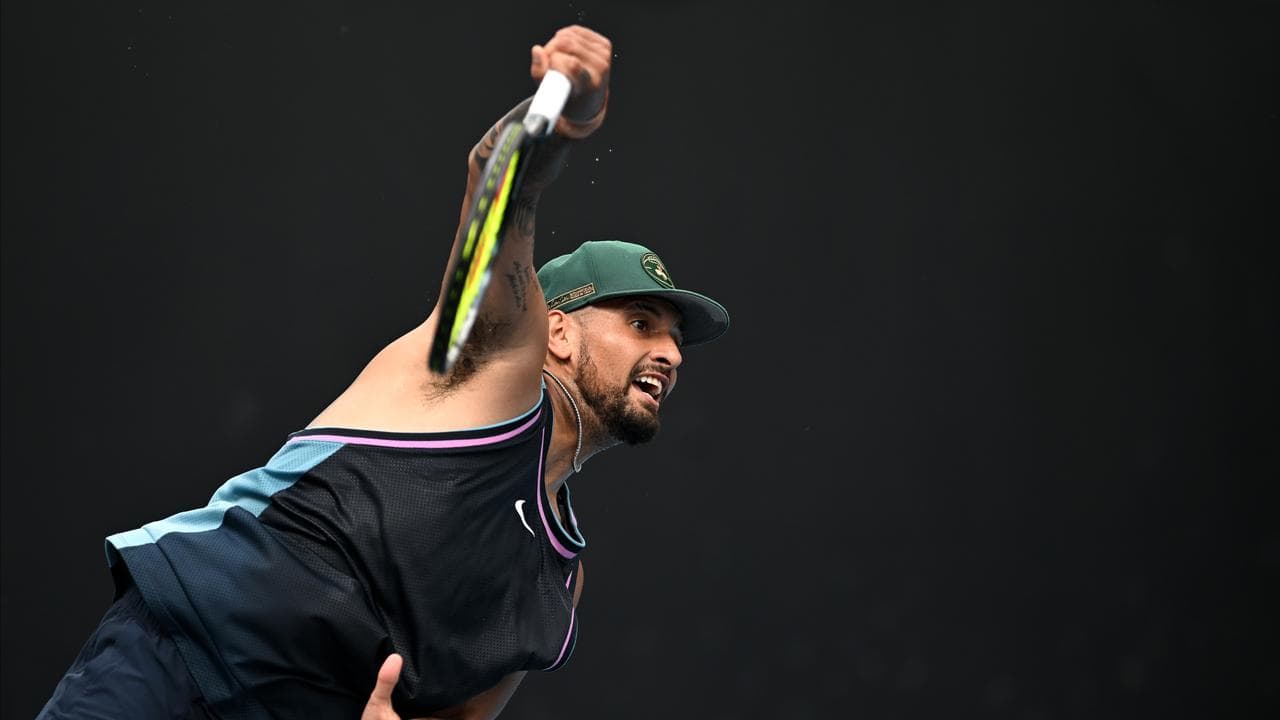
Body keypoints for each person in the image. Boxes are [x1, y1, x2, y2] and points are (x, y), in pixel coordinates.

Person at [37, 24, 728, 720]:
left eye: (675, 339)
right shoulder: (493, 366)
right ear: (555, 332)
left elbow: (459, 716)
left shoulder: (559, 582)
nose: (669, 353)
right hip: (185, 658)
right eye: (641, 324)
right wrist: (564, 116)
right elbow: (499, 188)